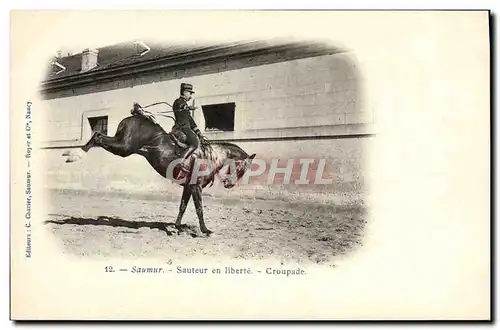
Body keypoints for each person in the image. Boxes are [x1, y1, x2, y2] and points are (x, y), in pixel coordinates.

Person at [172, 83, 204, 170]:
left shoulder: (184, 104)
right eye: (190, 93)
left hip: (186, 128)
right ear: (185, 92)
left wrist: (198, 132)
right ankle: (180, 162)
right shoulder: (178, 102)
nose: (190, 95)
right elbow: (180, 106)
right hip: (181, 128)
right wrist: (188, 107)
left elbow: (191, 121)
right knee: (194, 142)